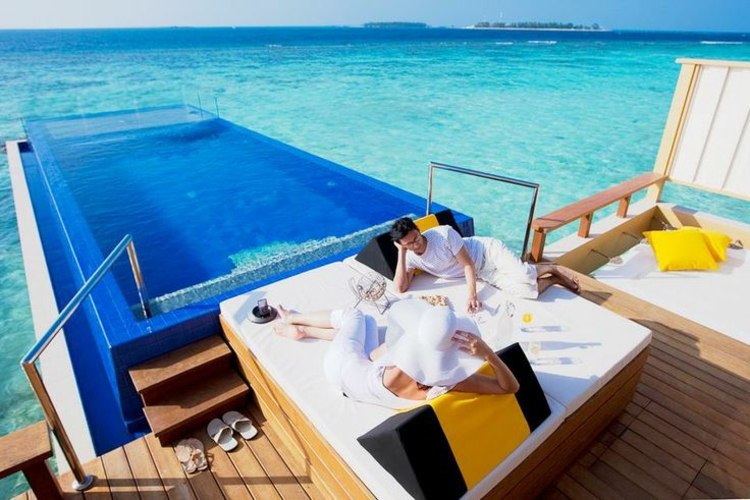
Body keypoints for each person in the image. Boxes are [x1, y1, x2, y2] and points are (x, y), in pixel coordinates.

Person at [272, 298, 519, 410]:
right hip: (356, 378)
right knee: (367, 323)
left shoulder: (402, 353)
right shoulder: (446, 382)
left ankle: (296, 321)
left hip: (342, 368)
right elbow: (510, 387)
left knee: (356, 316)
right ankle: (306, 330)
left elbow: (371, 357)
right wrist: (488, 354)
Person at [389, 217, 580, 313]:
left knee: (524, 275)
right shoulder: (409, 255)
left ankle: (551, 267)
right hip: (483, 272)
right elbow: (400, 288)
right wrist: (401, 253)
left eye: (416, 238)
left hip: (488, 252)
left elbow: (468, 265)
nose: (416, 244)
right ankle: (555, 279)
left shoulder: (443, 234)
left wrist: (472, 296)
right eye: (409, 244)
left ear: (418, 229)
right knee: (527, 292)